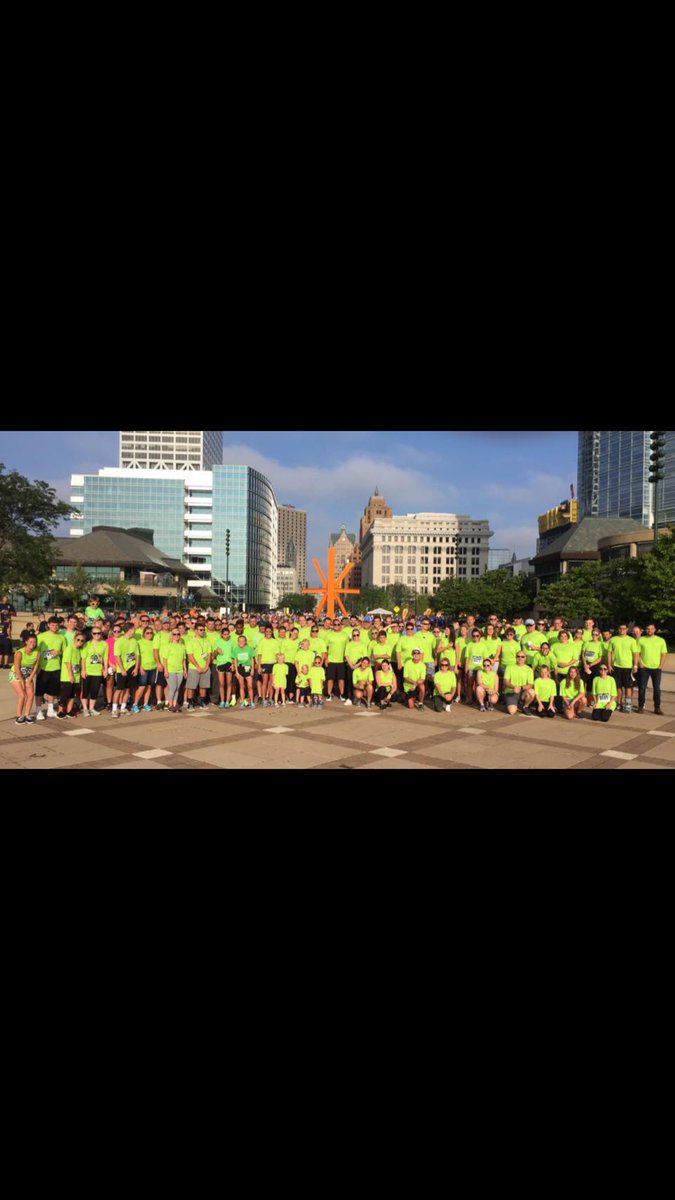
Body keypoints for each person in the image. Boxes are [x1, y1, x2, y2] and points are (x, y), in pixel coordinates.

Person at [35, 616, 66, 720]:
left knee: (52, 691)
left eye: (57, 625)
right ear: (48, 625)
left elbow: (65, 652)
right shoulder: (41, 636)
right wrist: (37, 666)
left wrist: (59, 652)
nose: (54, 627)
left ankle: (50, 710)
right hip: (43, 668)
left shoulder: (62, 637)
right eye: (52, 625)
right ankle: (38, 711)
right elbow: (37, 652)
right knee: (39, 691)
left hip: (56, 667)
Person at [636, 623, 668, 715]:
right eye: (648, 629)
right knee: (642, 688)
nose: (649, 630)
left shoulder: (661, 640)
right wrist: (641, 664)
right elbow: (637, 653)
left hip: (656, 668)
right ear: (646, 630)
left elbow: (664, 654)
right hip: (644, 668)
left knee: (657, 688)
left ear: (655, 630)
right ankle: (641, 706)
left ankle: (657, 707)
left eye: (651, 629)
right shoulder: (641, 640)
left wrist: (660, 666)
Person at [608, 623, 639, 713]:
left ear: (627, 630)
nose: (622, 630)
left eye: (624, 628)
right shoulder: (613, 639)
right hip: (616, 666)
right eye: (620, 628)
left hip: (628, 667)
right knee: (618, 686)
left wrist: (635, 665)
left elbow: (635, 653)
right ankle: (619, 703)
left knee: (628, 686)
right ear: (618, 629)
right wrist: (609, 664)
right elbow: (610, 652)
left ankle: (628, 704)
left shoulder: (631, 640)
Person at [9, 633, 40, 724]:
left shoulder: (37, 652)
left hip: (28, 675)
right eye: (30, 641)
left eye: (34, 642)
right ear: (26, 642)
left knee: (30, 695)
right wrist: (22, 681)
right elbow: (17, 669)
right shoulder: (19, 653)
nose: (32, 643)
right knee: (22, 695)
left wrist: (30, 678)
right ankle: (19, 717)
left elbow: (36, 667)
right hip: (16, 675)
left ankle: (27, 715)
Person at [112, 622, 140, 717]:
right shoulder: (119, 641)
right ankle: (115, 709)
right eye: (133, 629)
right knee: (119, 689)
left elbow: (137, 655)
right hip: (122, 669)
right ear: (129, 630)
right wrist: (122, 669)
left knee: (128, 689)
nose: (134, 631)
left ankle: (123, 707)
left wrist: (136, 668)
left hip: (132, 668)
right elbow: (117, 657)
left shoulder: (134, 641)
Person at [58, 631, 87, 719]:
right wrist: (70, 676)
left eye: (82, 641)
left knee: (72, 694)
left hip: (76, 675)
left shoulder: (79, 650)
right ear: (74, 639)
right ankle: (60, 710)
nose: (80, 642)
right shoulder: (69, 648)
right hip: (67, 676)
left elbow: (82, 660)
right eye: (78, 640)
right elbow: (68, 663)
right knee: (65, 693)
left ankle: (69, 710)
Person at [81, 629, 109, 716]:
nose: (97, 635)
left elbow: (105, 658)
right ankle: (85, 708)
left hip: (98, 671)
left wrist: (105, 669)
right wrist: (83, 670)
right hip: (88, 671)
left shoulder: (104, 644)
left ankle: (92, 708)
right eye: (94, 633)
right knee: (85, 690)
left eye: (98, 633)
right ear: (91, 634)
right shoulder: (87, 644)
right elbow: (83, 659)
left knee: (95, 690)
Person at [133, 626, 160, 713]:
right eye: (147, 633)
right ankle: (135, 704)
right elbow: (138, 656)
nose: (149, 635)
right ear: (143, 634)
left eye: (151, 633)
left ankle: (145, 704)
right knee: (141, 687)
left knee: (149, 687)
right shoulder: (139, 642)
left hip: (153, 667)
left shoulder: (153, 642)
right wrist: (140, 666)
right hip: (143, 667)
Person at [162, 629, 188, 714]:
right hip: (170, 670)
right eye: (174, 634)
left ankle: (174, 704)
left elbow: (184, 659)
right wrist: (165, 670)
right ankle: (170, 705)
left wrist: (185, 670)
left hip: (180, 670)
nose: (176, 636)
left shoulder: (182, 646)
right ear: (171, 635)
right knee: (173, 688)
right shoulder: (167, 646)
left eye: (178, 634)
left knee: (177, 688)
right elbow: (165, 659)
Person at [503, 652, 535, 716]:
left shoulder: (529, 670)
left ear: (525, 658)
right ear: (516, 657)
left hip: (522, 692)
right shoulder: (509, 667)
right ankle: (516, 705)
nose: (520, 658)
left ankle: (525, 706)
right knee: (512, 712)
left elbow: (530, 684)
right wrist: (513, 687)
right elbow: (505, 681)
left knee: (532, 692)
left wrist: (521, 688)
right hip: (511, 692)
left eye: (522, 656)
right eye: (518, 656)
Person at [233, 635, 257, 708]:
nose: (241, 642)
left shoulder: (249, 649)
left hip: (248, 668)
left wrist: (252, 669)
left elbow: (252, 659)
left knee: (250, 686)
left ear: (245, 642)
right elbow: (235, 661)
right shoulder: (236, 649)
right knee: (242, 686)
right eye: (239, 641)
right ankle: (242, 702)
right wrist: (236, 672)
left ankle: (252, 702)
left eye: (242, 641)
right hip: (240, 668)